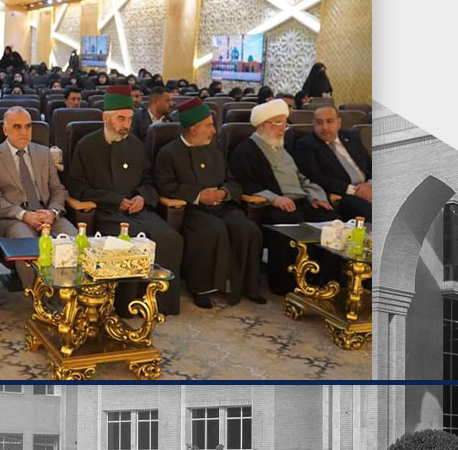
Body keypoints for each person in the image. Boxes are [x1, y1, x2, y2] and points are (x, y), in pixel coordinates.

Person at [66, 85, 184, 315]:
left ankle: (159, 304)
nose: (126, 125)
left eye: (129, 119)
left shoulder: (136, 145)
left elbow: (149, 181)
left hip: (138, 210)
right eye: (121, 119)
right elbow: (78, 187)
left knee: (170, 238)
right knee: (128, 241)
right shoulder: (87, 145)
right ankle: (126, 306)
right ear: (106, 118)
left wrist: (142, 197)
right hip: (107, 212)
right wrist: (114, 201)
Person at [154, 98, 264, 308]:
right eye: (209, 126)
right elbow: (165, 185)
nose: (214, 131)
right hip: (193, 210)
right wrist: (198, 195)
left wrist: (224, 192)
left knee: (248, 229)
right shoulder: (168, 153)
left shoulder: (215, 150)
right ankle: (203, 289)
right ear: (193, 128)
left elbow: (232, 181)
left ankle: (246, 287)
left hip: (223, 206)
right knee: (213, 230)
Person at [229, 99, 338, 294]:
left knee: (330, 219)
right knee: (290, 221)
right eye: (278, 123)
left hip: (300, 202)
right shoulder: (246, 150)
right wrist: (275, 198)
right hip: (272, 206)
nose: (282, 129)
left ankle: (322, 280)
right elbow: (245, 183)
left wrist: (316, 197)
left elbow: (302, 178)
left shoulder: (281, 147)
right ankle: (287, 285)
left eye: (285, 124)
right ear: (262, 125)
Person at [0, 107, 76, 288]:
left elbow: (57, 189)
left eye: (28, 126)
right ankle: (37, 296)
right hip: (14, 218)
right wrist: (24, 215)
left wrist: (53, 212)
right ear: (5, 130)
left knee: (72, 241)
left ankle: (70, 292)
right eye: (17, 127)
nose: (24, 132)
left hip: (47, 213)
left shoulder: (44, 153)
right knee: (29, 247)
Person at [293, 105, 372, 221]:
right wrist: (355, 191)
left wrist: (369, 185)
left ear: (339, 122)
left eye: (329, 121)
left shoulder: (351, 137)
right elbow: (316, 177)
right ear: (313, 124)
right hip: (344, 194)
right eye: (319, 123)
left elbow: (370, 165)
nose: (325, 127)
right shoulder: (306, 145)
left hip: (368, 188)